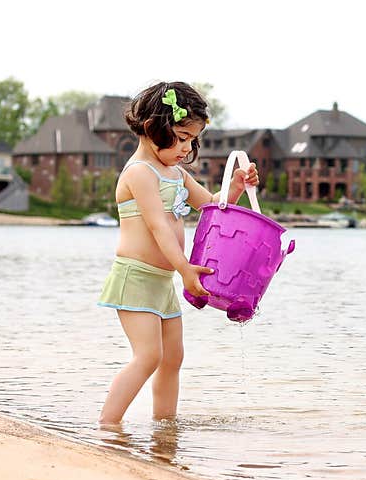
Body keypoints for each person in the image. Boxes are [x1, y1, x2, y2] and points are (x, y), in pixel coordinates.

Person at [97, 81, 259, 425]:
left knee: (173, 358)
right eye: (181, 137)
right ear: (150, 127)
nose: (186, 147)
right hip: (135, 277)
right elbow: (157, 226)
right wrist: (185, 268)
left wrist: (236, 187)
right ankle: (108, 425)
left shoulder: (176, 174)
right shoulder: (139, 173)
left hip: (161, 281)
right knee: (148, 356)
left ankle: (164, 427)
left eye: (191, 140)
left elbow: (213, 206)